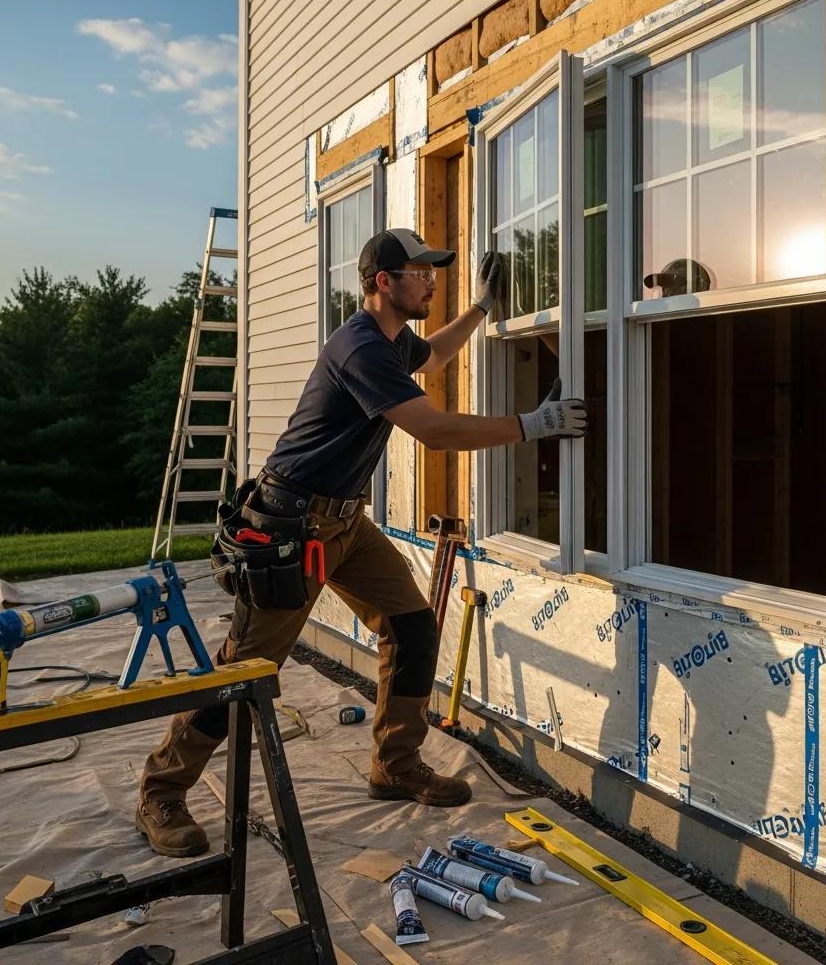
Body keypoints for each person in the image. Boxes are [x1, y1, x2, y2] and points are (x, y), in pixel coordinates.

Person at [135, 228, 587, 857]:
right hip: (288, 528)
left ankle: (396, 764)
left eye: (434, 271)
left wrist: (483, 308)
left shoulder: (394, 342)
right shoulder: (359, 348)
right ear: (383, 282)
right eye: (421, 271)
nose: (432, 280)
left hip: (345, 523)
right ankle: (162, 789)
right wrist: (530, 425)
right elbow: (431, 430)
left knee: (411, 627)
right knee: (247, 672)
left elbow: (434, 358)